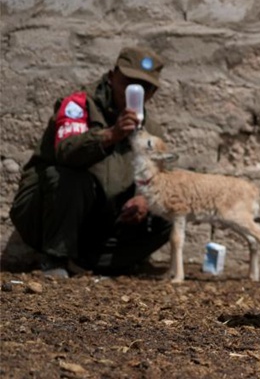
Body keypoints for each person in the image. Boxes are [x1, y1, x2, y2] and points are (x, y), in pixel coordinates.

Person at [9, 46, 173, 278]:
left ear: (152, 92)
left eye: (144, 87)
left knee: (167, 211)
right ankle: (56, 257)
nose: (134, 91)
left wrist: (144, 199)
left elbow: (159, 176)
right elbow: (66, 152)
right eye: (128, 82)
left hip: (102, 219)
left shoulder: (150, 129)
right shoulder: (79, 105)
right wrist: (110, 135)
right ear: (113, 75)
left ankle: (94, 263)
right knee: (67, 176)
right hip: (48, 210)